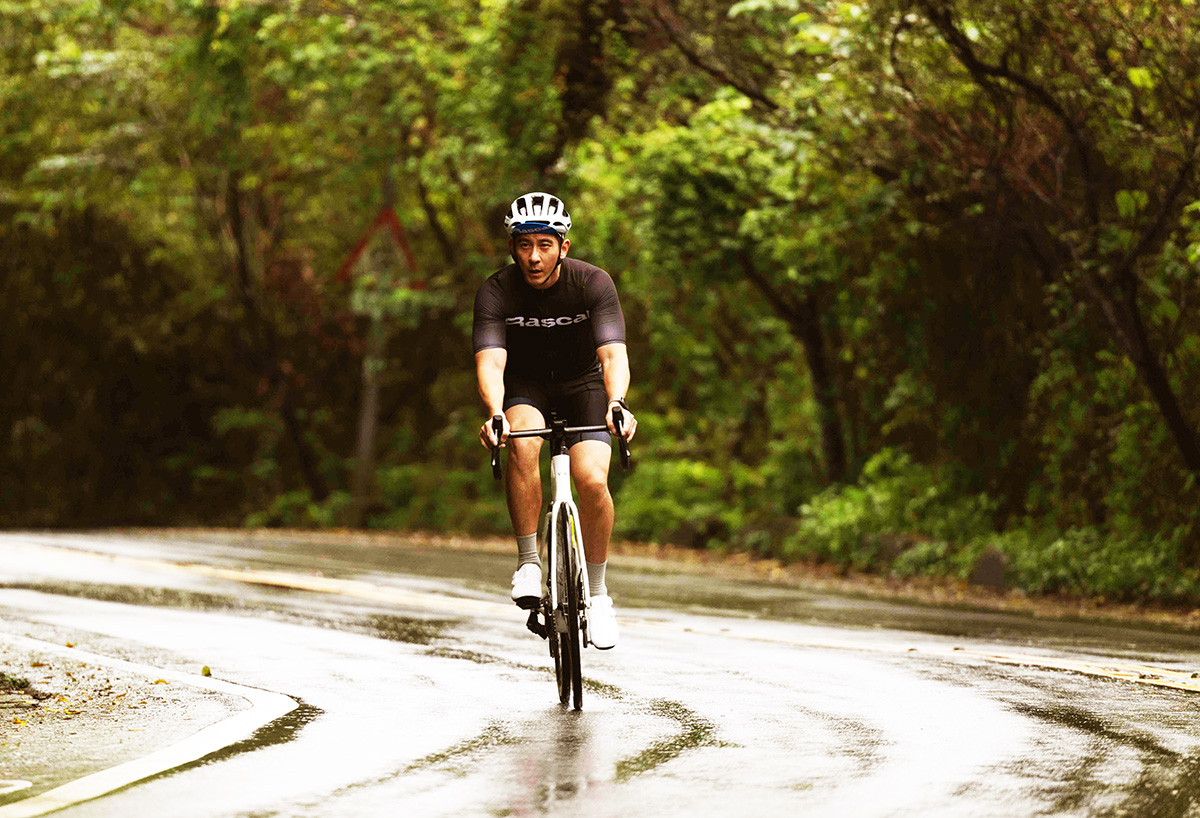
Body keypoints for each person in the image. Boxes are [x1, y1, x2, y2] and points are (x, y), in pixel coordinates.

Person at [473, 191, 637, 650]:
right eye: (524, 246)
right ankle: (529, 562)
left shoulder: (593, 283)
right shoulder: (496, 291)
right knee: (523, 445)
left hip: (583, 385)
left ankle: (599, 596)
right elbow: (491, 363)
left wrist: (617, 401)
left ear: (563, 246)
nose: (534, 256)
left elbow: (612, 354)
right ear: (512, 247)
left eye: (545, 245)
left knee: (590, 480)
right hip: (526, 386)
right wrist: (494, 413)